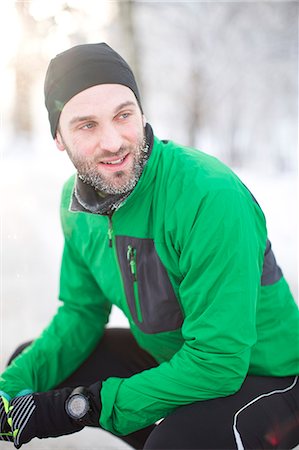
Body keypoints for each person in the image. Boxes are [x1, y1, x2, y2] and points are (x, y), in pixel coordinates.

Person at [0, 42, 298, 450]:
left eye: (123, 115)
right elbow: (82, 313)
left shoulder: (207, 196)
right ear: (58, 137)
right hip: (175, 356)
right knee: (32, 368)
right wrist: (8, 388)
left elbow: (219, 363)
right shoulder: (76, 204)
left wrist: (85, 405)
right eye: (87, 125)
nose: (113, 142)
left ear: (141, 113)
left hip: (267, 373)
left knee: (177, 442)